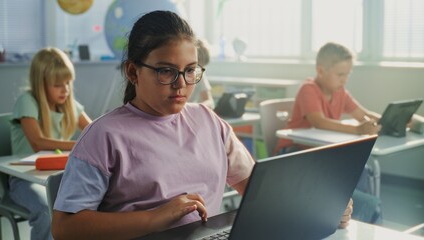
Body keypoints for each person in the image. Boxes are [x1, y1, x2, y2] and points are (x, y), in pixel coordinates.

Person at [51, 11, 353, 240]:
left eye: (190, 71)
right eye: (166, 71)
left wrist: (317, 207)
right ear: (133, 71)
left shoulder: (209, 122)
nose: (181, 85)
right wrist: (155, 217)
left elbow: (257, 190)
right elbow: (64, 227)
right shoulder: (104, 136)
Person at [275, 42, 382, 224]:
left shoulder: (340, 92)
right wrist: (357, 129)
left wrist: (388, 119)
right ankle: (357, 212)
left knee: (361, 170)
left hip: (323, 155)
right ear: (321, 70)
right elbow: (319, 121)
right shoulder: (308, 89)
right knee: (363, 200)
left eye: (348, 74)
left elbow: (363, 114)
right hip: (296, 154)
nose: (345, 79)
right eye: (340, 74)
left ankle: (355, 214)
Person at [10, 47, 92, 240]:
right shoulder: (27, 101)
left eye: (68, 82)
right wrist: (78, 145)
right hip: (24, 180)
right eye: (58, 84)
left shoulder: (68, 103)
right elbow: (38, 142)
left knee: (96, 205)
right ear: (41, 83)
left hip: (59, 177)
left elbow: (93, 132)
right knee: (47, 212)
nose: (66, 89)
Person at [188, 38, 215, 109]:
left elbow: (210, 102)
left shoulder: (199, 73)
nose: (198, 70)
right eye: (197, 66)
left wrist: (195, 108)